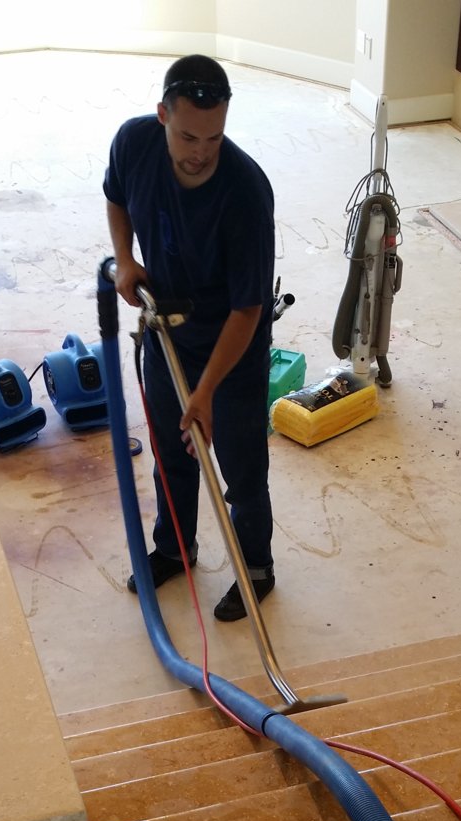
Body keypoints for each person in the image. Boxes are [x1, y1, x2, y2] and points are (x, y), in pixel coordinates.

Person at [103, 54, 276, 622]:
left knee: (239, 465)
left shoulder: (245, 191)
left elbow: (248, 309)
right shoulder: (134, 143)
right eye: (187, 136)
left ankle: (256, 568)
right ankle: (175, 548)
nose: (201, 151)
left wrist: (205, 393)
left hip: (232, 345)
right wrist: (126, 258)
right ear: (163, 116)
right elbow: (117, 196)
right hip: (167, 329)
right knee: (170, 451)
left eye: (214, 137)